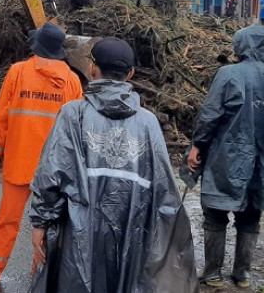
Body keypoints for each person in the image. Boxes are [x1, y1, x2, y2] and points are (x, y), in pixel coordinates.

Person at [29, 37, 198, 292]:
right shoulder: (148, 123)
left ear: (92, 68)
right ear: (130, 74)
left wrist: (40, 223)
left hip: (79, 230)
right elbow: (164, 189)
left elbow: (52, 174)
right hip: (133, 229)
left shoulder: (73, 114)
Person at [0, 23, 83, 284]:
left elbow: (2, 115)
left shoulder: (18, 72)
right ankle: (40, 273)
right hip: (54, 168)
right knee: (48, 221)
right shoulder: (71, 80)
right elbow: (76, 129)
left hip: (19, 160)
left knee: (7, 219)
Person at [187, 25, 264, 289]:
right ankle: (242, 274)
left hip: (227, 155)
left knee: (215, 214)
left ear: (240, 46)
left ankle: (212, 273)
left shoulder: (227, 75)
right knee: (250, 216)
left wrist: (198, 146)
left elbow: (210, 115)